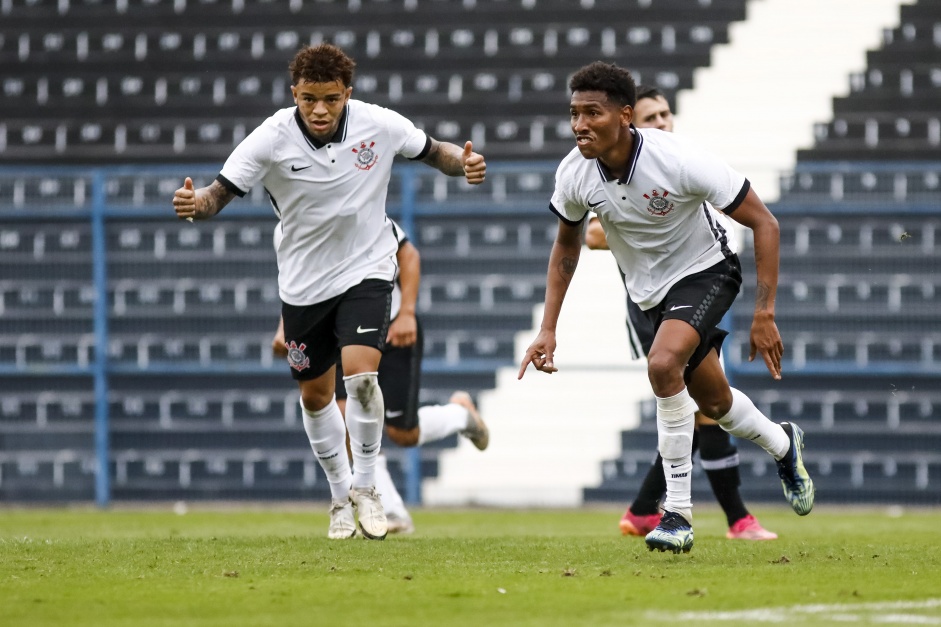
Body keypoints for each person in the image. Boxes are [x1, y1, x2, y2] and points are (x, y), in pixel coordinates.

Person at [172, 43, 487, 541]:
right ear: (294, 93)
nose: (320, 109)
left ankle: (367, 489)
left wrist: (462, 163)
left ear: (348, 95)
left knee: (362, 378)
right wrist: (196, 203)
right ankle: (339, 496)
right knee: (317, 397)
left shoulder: (378, 124)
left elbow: (435, 151)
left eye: (332, 99)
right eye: (310, 98)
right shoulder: (270, 138)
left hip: (366, 271)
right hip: (303, 286)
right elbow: (219, 193)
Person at [518, 61, 814, 554]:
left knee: (662, 365)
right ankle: (783, 443)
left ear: (626, 116)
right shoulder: (574, 172)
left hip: (707, 271)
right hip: (648, 293)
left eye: (593, 113)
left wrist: (765, 314)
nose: (580, 125)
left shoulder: (678, 160)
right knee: (716, 403)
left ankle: (676, 514)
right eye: (574, 114)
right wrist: (548, 328)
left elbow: (765, 222)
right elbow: (566, 247)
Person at [584, 86, 777, 541]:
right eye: (651, 116)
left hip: (699, 289)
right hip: (653, 303)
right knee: (699, 406)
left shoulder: (678, 163)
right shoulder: (610, 173)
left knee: (701, 407)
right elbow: (590, 235)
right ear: (630, 122)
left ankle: (652, 511)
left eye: (667, 114)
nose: (662, 122)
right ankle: (727, 518)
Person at [271, 218, 489, 534]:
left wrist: (408, 314)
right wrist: (284, 329)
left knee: (404, 433)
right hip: (337, 334)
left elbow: (409, 256)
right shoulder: (284, 231)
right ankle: (389, 509)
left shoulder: (357, 205)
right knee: (346, 418)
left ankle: (460, 415)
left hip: (392, 330)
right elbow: (297, 284)